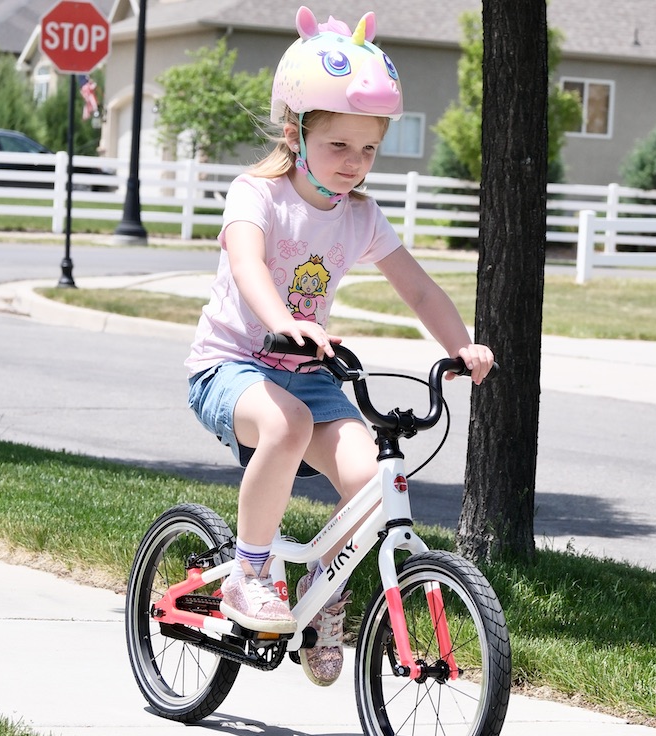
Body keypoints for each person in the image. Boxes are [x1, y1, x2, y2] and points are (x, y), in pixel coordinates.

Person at [184, 5, 494, 688]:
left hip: (308, 373)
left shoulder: (361, 217)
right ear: (296, 132)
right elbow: (249, 267)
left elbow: (418, 289)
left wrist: (463, 346)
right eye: (338, 147)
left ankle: (324, 600)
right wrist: (286, 322)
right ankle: (253, 571)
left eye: (368, 150)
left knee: (371, 482)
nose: (355, 165)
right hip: (230, 365)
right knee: (286, 424)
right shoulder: (258, 195)